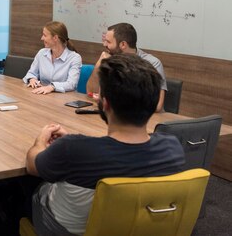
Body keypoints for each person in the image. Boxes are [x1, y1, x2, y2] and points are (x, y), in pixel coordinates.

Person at [25, 54, 185, 235]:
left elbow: (32, 164)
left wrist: (41, 141)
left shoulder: (72, 149)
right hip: (138, 229)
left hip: (61, 229)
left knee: (32, 189)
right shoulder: (172, 148)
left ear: (105, 104)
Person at [86, 22, 167, 112]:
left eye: (108, 42)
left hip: (146, 120)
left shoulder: (152, 63)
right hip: (119, 116)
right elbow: (91, 93)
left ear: (123, 45)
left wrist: (113, 102)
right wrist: (99, 65)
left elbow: (157, 105)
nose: (104, 45)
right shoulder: (111, 59)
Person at [23, 21, 82, 94]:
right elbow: (31, 73)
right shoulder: (42, 53)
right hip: (41, 95)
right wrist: (32, 79)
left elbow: (72, 84)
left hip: (62, 99)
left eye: (44, 35)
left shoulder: (74, 58)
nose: (42, 38)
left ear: (55, 38)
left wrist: (52, 87)